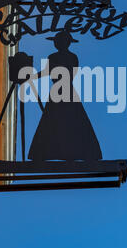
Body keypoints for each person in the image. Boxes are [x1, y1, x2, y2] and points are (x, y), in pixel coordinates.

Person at [28, 31, 102, 161]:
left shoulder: (72, 57)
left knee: (70, 120)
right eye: (56, 41)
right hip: (59, 90)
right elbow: (48, 71)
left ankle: (76, 152)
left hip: (65, 90)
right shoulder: (53, 57)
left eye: (59, 41)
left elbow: (63, 72)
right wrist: (33, 77)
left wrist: (34, 76)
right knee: (54, 121)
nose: (57, 43)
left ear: (66, 43)